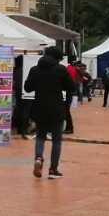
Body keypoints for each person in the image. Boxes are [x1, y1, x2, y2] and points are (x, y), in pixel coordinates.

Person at [25, 47, 74, 179]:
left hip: (39, 108)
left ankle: (38, 158)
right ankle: (53, 169)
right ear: (57, 58)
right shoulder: (61, 70)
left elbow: (27, 88)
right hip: (56, 109)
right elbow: (71, 87)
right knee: (57, 140)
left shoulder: (35, 69)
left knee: (40, 137)